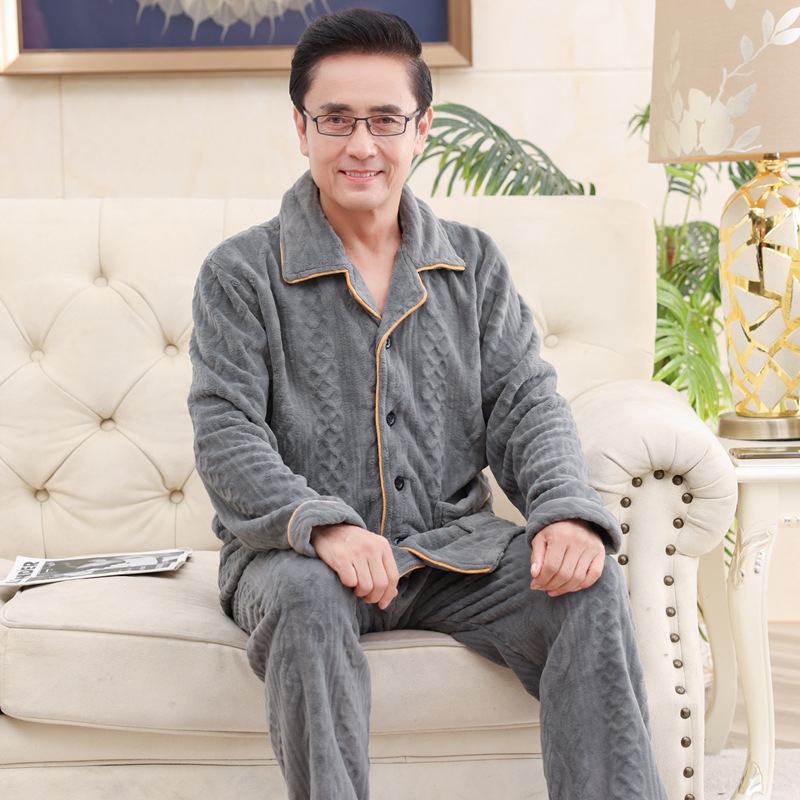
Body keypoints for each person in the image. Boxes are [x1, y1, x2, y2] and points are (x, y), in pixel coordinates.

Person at [189, 8, 668, 800]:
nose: (361, 145)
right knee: (307, 597)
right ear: (301, 128)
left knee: (587, 583)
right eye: (336, 119)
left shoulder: (473, 264)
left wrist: (564, 510)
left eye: (385, 119)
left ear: (421, 130)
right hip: (299, 559)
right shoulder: (240, 274)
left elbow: (526, 403)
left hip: (455, 554)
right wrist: (324, 526)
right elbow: (224, 434)